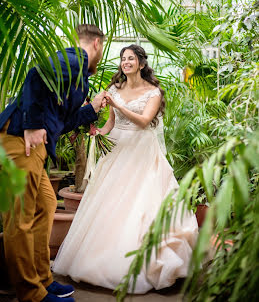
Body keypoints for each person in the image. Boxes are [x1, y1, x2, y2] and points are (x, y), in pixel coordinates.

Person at [52, 44, 198, 293]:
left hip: (142, 153)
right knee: (109, 205)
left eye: (131, 58)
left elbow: (144, 121)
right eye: (123, 59)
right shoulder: (114, 88)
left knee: (142, 204)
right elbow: (110, 123)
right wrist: (97, 133)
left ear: (141, 63)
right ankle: (100, 262)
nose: (125, 62)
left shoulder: (153, 92)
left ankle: (147, 265)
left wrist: (119, 106)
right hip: (117, 151)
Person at [0, 24, 107, 302]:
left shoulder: (79, 75)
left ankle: (42, 280)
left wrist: (92, 110)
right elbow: (35, 75)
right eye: (103, 49)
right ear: (96, 43)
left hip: (35, 147)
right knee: (20, 218)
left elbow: (64, 122)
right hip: (20, 140)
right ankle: (31, 293)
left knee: (46, 204)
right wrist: (33, 124)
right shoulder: (74, 59)